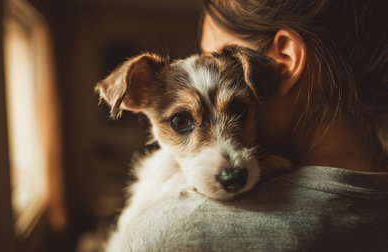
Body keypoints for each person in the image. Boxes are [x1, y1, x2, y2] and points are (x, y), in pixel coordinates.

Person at [118, 0, 388, 251]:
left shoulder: (178, 227)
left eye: (211, 56)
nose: (207, 65)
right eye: (181, 121)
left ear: (285, 60)